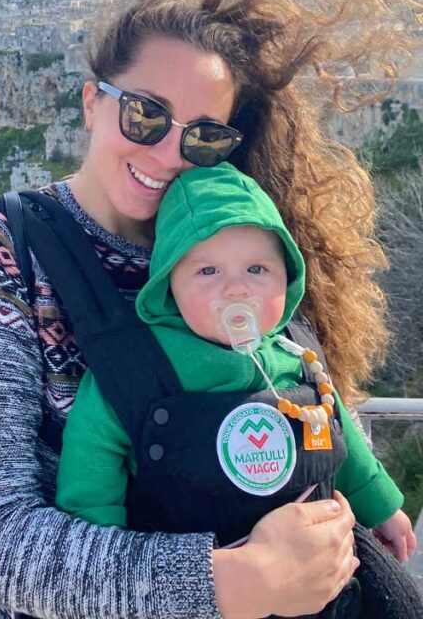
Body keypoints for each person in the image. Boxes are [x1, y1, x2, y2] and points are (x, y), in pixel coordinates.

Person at [0, 0, 415, 619]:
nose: (168, 155)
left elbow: (306, 391)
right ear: (93, 100)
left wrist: (367, 506)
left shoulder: (236, 239)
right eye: (146, 116)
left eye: (205, 138)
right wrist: (232, 581)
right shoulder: (0, 249)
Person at [55, 163, 417, 616]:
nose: (236, 288)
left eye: (257, 268)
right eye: (207, 271)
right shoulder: (139, 366)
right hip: (209, 588)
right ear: (170, 285)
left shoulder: (294, 357)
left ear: (287, 277)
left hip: (318, 592)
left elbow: (340, 436)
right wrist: (104, 551)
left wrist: (383, 507)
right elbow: (91, 466)